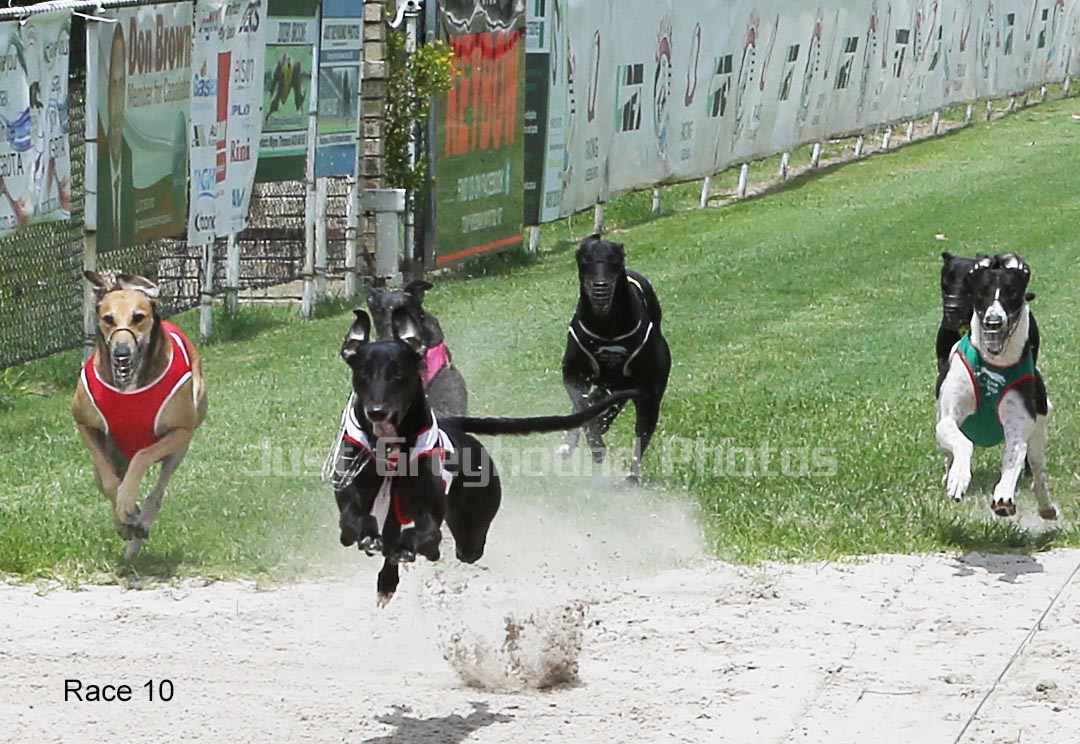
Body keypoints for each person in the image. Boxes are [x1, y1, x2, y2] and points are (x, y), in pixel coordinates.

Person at [96, 23, 135, 249]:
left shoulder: (129, 158)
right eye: (114, 83)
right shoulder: (96, 165)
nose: (118, 93)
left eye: (122, 83)